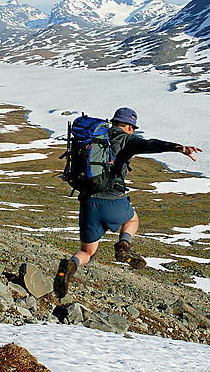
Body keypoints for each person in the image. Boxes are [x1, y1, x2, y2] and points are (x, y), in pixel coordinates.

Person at [54, 107, 201, 298]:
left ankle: (71, 266)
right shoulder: (126, 139)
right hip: (113, 200)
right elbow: (149, 144)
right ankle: (123, 246)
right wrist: (177, 147)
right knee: (132, 220)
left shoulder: (97, 135)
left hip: (88, 201)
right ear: (130, 126)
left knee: (88, 252)